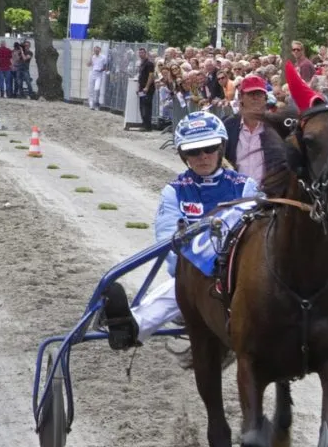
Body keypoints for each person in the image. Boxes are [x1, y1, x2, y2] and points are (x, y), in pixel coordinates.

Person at [100, 112, 260, 350]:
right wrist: (195, 271)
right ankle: (130, 326)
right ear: (184, 155)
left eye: (209, 148)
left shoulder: (245, 186)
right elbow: (168, 242)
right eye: (194, 151)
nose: (203, 156)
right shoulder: (174, 192)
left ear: (221, 148)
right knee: (181, 286)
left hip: (241, 272)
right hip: (196, 276)